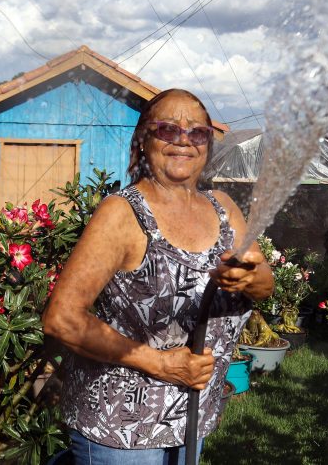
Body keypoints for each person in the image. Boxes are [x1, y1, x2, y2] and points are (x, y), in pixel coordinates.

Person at [42, 88, 273, 464]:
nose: (183, 139)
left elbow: (265, 285)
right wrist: (163, 364)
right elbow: (62, 319)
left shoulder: (224, 208)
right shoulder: (122, 214)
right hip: (121, 429)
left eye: (197, 132)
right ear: (143, 140)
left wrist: (251, 277)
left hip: (194, 419)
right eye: (167, 129)